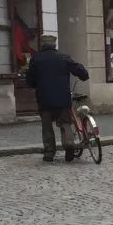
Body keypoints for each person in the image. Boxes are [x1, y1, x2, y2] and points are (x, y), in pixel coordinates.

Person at [26, 33, 89, 163]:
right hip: (62, 98)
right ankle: (69, 145)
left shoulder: (36, 59)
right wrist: (83, 76)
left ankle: (49, 153)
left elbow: (30, 80)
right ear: (54, 45)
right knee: (65, 123)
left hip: (44, 99)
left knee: (47, 126)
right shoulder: (63, 58)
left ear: (42, 45)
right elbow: (79, 70)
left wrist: (35, 84)